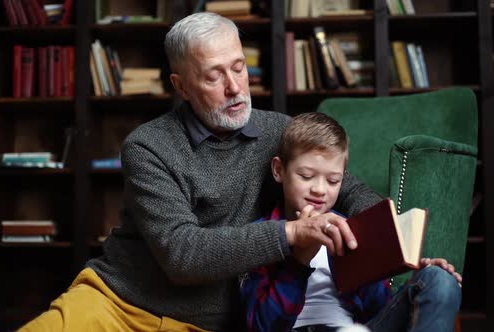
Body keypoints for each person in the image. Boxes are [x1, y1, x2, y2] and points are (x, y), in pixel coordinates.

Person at [19, 12, 381, 332]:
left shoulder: (279, 132)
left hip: (209, 325)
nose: (235, 88)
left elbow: (349, 190)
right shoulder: (148, 146)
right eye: (213, 77)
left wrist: (397, 236)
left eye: (239, 67)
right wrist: (291, 234)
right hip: (117, 304)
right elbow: (182, 255)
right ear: (182, 87)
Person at [240, 112, 463, 332]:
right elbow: (261, 326)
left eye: (332, 180)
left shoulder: (351, 230)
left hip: (356, 327)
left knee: (439, 279)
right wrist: (298, 262)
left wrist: (414, 284)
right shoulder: (262, 235)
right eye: (306, 176)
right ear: (279, 170)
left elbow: (380, 309)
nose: (319, 190)